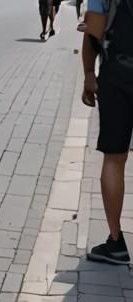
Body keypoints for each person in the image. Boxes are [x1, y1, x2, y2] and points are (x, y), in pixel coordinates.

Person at [82, 0, 133, 263]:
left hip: (118, 76)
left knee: (114, 158)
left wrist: (89, 73)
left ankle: (116, 243)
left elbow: (94, 32)